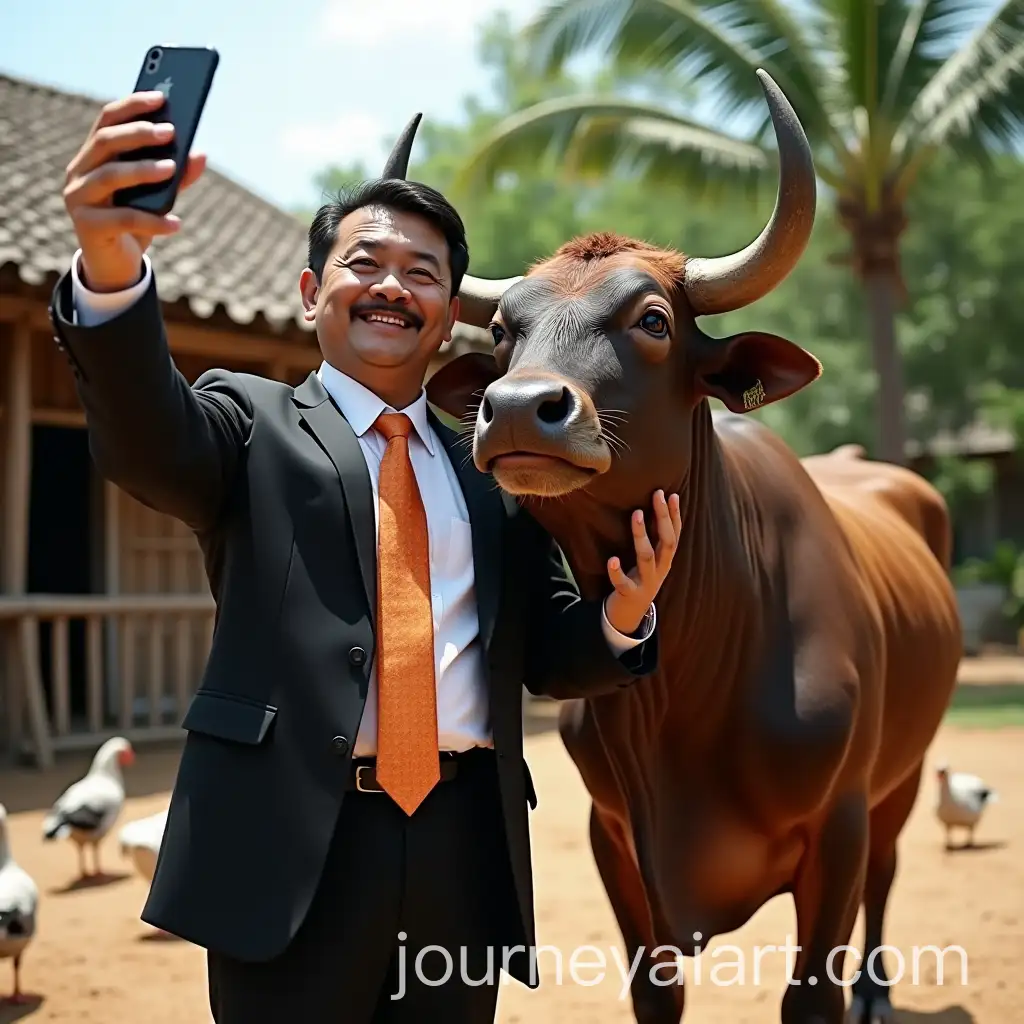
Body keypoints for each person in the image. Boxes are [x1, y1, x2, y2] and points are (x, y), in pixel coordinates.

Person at [49, 91, 682, 1024]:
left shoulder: (488, 471)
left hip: (464, 848)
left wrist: (625, 614)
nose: (393, 285)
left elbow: (546, 653)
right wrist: (110, 269)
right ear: (313, 294)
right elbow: (148, 439)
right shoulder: (248, 425)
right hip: (290, 850)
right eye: (365, 263)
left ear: (447, 319)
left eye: (422, 273)